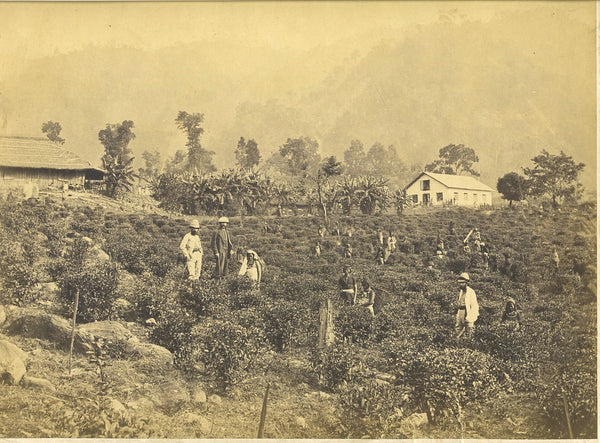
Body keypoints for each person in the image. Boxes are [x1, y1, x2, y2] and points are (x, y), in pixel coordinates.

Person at [455, 272, 479, 339]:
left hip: (467, 312)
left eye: (462, 283)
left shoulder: (471, 292)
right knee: (458, 328)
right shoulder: (461, 291)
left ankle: (469, 343)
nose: (460, 284)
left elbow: (474, 306)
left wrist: (469, 317)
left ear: (466, 283)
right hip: (460, 311)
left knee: (469, 329)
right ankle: (457, 343)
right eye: (459, 283)